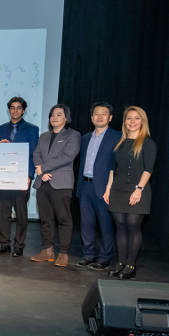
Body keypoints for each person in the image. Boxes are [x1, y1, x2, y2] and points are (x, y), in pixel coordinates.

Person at [104, 106, 156, 280]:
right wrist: (108, 188)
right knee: (120, 227)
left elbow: (148, 170)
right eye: (129, 118)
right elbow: (113, 169)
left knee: (133, 226)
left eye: (136, 118)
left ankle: (131, 265)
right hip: (118, 189)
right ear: (124, 121)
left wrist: (139, 189)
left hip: (137, 190)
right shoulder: (119, 143)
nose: (132, 122)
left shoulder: (148, 143)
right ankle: (120, 263)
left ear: (143, 121)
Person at [29, 104, 80, 266]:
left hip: (61, 183)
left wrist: (43, 168)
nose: (54, 117)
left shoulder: (73, 135)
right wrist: (41, 173)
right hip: (43, 182)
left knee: (64, 218)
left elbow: (67, 157)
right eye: (52, 114)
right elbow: (36, 154)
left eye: (59, 114)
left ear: (66, 117)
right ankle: (47, 250)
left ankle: (63, 252)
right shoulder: (44, 136)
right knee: (46, 219)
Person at [75, 102, 120, 270]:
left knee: (106, 225)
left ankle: (104, 258)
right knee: (86, 224)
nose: (99, 117)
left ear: (110, 118)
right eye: (96, 114)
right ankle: (88, 255)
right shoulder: (85, 138)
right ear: (91, 118)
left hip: (105, 188)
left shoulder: (117, 136)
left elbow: (118, 165)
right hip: (85, 186)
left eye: (104, 114)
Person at [0, 97, 39, 257]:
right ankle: (4, 245)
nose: (15, 110)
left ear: (23, 110)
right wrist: (0, 147)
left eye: (19, 108)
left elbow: (33, 154)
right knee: (3, 213)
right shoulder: (0, 129)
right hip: (3, 177)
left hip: (21, 177)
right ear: (9, 110)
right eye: (12, 107)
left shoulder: (32, 129)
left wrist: (29, 176)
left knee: (21, 213)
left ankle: (19, 245)